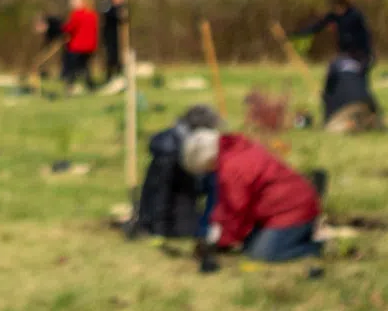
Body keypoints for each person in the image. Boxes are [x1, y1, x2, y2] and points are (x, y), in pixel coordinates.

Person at [180, 127, 325, 263]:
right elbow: (227, 203)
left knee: (263, 254)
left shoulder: (232, 169)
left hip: (293, 210)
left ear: (208, 160)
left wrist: (219, 240)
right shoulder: (234, 150)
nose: (208, 172)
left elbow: (236, 210)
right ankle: (301, 236)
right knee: (249, 246)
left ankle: (316, 248)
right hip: (282, 208)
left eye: (206, 169)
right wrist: (218, 229)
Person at [130, 105, 219, 239]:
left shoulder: (176, 142)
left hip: (179, 210)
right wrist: (158, 231)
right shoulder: (169, 154)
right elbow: (159, 195)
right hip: (170, 220)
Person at [297, 0, 374, 65]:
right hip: (345, 52)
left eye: (336, 6)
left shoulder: (355, 15)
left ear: (343, 5)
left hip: (360, 52)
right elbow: (318, 26)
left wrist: (364, 51)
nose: (334, 9)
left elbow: (365, 34)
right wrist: (300, 34)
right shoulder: (334, 16)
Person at [61, 0, 100, 90]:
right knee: (85, 67)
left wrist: (62, 30)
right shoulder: (93, 14)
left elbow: (69, 28)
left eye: (75, 0)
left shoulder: (77, 14)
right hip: (90, 46)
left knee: (72, 67)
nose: (72, 2)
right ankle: (90, 86)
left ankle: (70, 86)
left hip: (77, 46)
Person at [99, 0, 130, 87]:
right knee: (111, 57)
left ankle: (119, 75)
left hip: (118, 37)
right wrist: (118, 14)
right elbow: (107, 15)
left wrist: (123, 16)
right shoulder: (108, 6)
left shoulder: (121, 8)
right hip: (109, 37)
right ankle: (109, 77)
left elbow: (124, 20)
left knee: (118, 57)